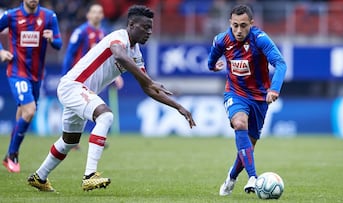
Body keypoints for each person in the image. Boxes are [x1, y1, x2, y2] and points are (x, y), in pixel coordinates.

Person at [27, 5, 196, 192]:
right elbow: (120, 56)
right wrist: (149, 80)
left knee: (69, 141)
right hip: (73, 87)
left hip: (81, 92)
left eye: (151, 28)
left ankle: (39, 177)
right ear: (131, 25)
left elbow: (149, 88)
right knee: (106, 116)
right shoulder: (118, 38)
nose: (149, 32)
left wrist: (178, 106)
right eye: (145, 27)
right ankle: (89, 175)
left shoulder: (135, 52)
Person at [207, 4, 287, 196]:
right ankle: (253, 177)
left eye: (243, 25)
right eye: (235, 25)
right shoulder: (222, 40)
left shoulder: (260, 39)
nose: (238, 30)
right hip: (235, 93)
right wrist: (213, 66)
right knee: (239, 123)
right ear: (230, 23)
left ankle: (231, 177)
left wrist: (274, 89)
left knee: (248, 147)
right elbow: (211, 60)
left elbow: (280, 63)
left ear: (251, 23)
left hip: (260, 98)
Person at [0, 0, 62, 173]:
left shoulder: (49, 16)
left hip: (37, 75)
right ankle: (12, 154)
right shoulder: (11, 16)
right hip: (16, 72)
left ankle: (8, 156)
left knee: (23, 113)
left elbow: (59, 44)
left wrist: (52, 39)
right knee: (30, 110)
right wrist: (1, 51)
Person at [62, 3, 122, 150]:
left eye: (99, 12)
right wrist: (65, 74)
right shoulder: (81, 32)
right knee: (80, 109)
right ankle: (71, 140)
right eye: (93, 12)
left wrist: (116, 76)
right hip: (79, 78)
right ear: (88, 15)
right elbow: (69, 54)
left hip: (94, 77)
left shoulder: (103, 33)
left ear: (102, 16)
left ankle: (91, 137)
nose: (96, 15)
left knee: (92, 109)